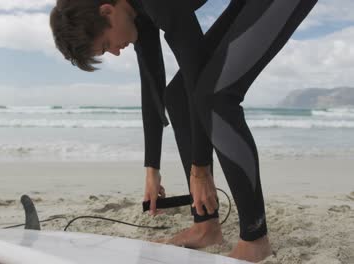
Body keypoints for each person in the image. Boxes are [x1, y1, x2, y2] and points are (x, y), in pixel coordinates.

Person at [49, 0, 317, 262]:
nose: (116, 53)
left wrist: (200, 170)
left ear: (107, 11)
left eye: (106, 45)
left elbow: (197, 77)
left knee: (216, 97)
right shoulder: (134, 9)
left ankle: (255, 240)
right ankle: (206, 226)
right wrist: (151, 169)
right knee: (177, 96)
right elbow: (153, 83)